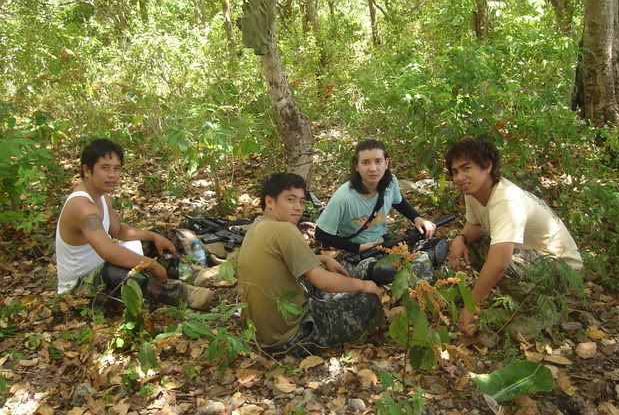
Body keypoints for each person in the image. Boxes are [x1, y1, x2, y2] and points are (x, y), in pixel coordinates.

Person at [444, 137, 583, 335]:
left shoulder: (506, 200)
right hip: (536, 259)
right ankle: (530, 300)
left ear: (487, 166)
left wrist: (469, 307)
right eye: (455, 172)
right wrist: (461, 238)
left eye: (466, 168)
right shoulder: (473, 192)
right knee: (477, 247)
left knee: (500, 259)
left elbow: (499, 263)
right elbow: (476, 227)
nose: (459, 177)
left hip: (565, 271)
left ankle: (544, 309)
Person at [55, 138, 215, 310]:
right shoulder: (82, 206)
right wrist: (150, 263)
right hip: (79, 289)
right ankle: (183, 294)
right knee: (115, 272)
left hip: (102, 267)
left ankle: (193, 274)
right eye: (104, 168)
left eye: (116, 169)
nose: (112, 175)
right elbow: (109, 252)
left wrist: (154, 236)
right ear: (87, 170)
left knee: (153, 241)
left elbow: (119, 231)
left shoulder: (102, 197)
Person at [237, 172, 384, 353]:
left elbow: (281, 263)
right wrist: (364, 285)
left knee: (325, 275)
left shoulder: (259, 225)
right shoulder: (284, 230)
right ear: (269, 202)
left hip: (257, 334)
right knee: (369, 299)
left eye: (301, 201)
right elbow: (321, 280)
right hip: (290, 337)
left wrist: (322, 258)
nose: (298, 207)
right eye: (290, 200)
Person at [315, 139, 439, 279]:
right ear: (356, 165)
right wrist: (357, 248)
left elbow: (398, 201)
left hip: (384, 241)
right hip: (357, 251)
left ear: (386, 163)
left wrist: (417, 218)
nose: (373, 168)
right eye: (366, 162)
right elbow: (321, 233)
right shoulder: (344, 197)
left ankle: (417, 266)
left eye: (378, 161)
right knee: (384, 271)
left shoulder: (390, 182)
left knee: (435, 246)